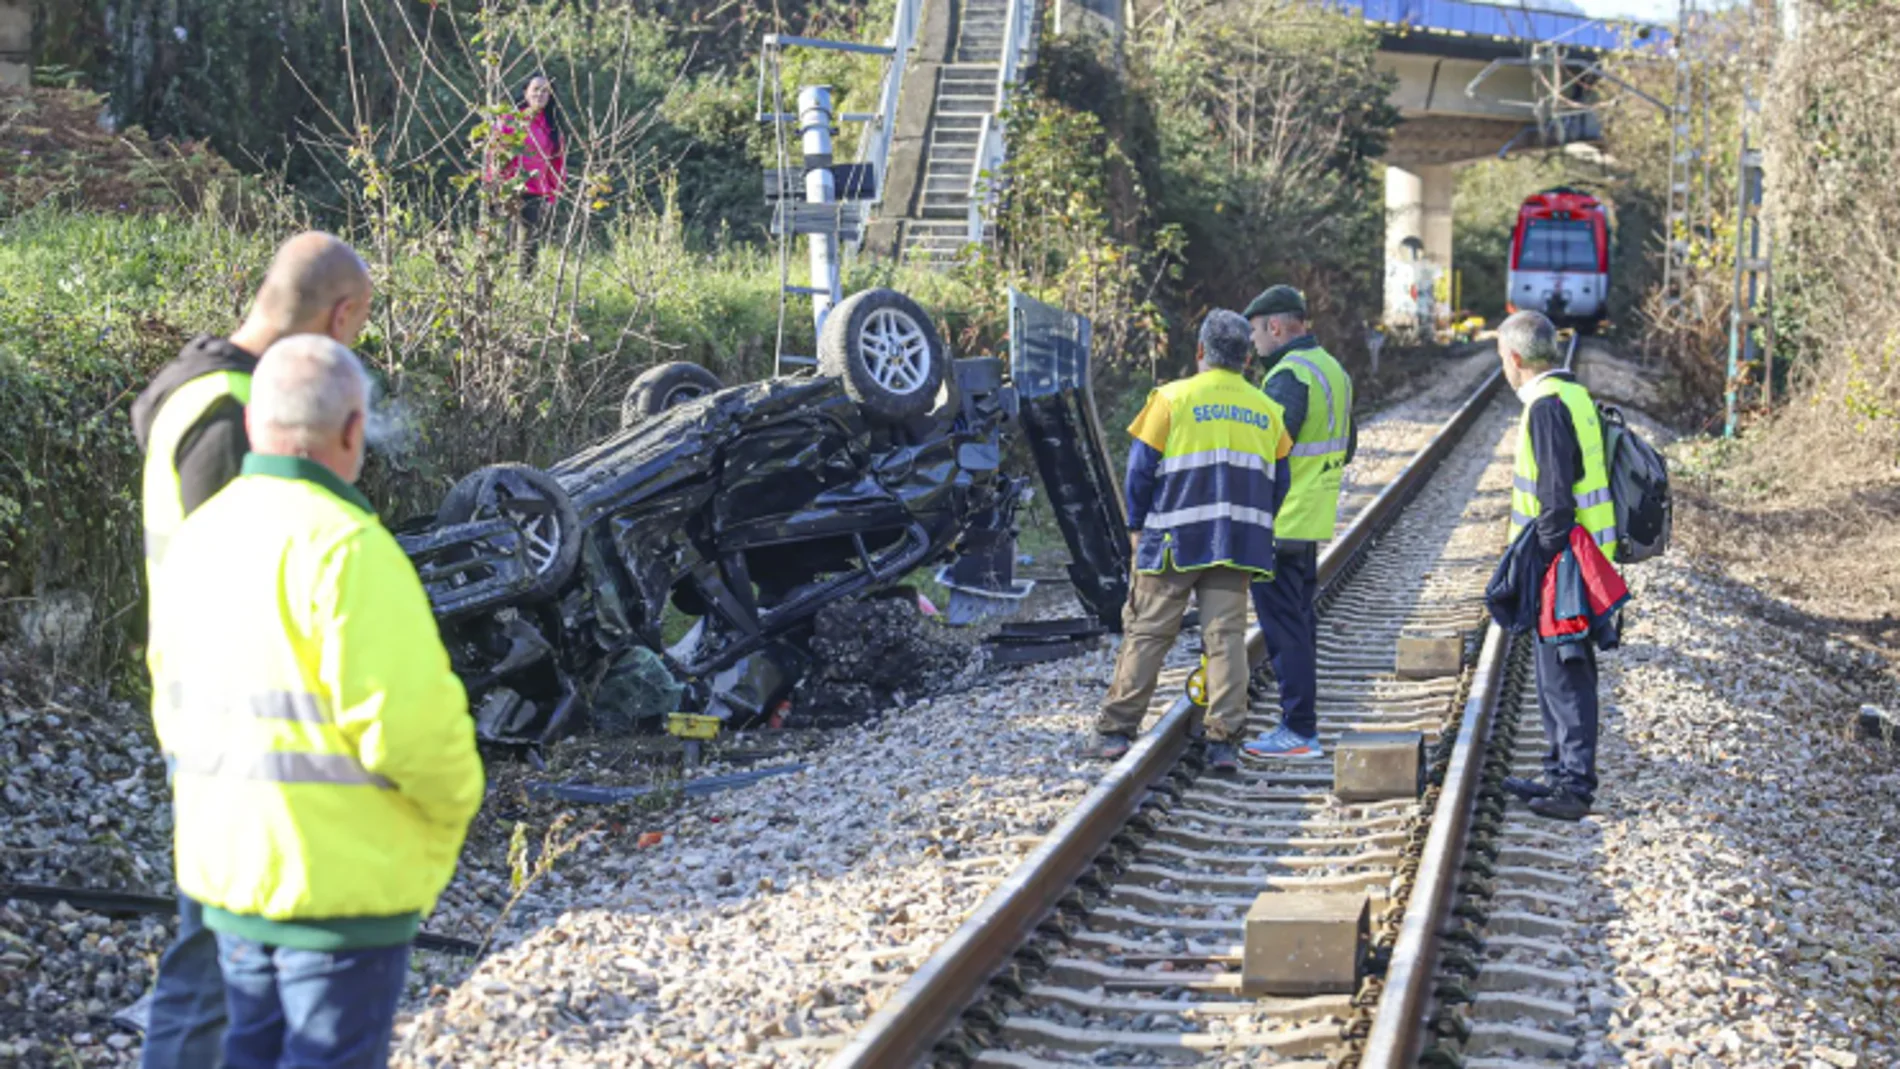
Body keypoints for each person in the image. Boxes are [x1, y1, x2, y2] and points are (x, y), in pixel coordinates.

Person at [146, 336, 484, 1069]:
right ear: (354, 428)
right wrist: (447, 824)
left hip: (231, 879)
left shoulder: (197, 536)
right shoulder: (348, 548)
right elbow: (412, 732)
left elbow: (170, 701)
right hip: (338, 893)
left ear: (255, 420)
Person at [128, 231, 373, 1069]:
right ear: (338, 316)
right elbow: (253, 579)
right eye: (357, 328)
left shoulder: (189, 388)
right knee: (212, 960)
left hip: (206, 706)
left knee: (236, 955)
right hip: (234, 723)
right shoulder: (233, 418)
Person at [1094, 310, 1294, 773]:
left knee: (1148, 631)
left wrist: (1136, 528)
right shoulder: (1268, 411)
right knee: (1226, 639)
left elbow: (1140, 472)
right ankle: (1223, 740)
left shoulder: (1169, 399)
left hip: (1173, 542)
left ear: (1201, 351)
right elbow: (1280, 480)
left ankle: (1116, 731)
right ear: (1247, 359)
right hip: (1237, 543)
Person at [1493, 310, 1615, 821]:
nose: (1504, 367)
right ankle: (1558, 770)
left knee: (1565, 674)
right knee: (1557, 672)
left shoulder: (1544, 407)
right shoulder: (1573, 395)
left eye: (1503, 359)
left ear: (1516, 359)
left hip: (1564, 563)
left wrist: (1536, 563)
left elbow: (1555, 501)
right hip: (1580, 556)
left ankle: (1573, 785)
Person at [1237, 285, 1356, 761]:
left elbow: (1268, 451)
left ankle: (1299, 729)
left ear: (1276, 327)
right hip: (1309, 518)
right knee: (1299, 621)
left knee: (1283, 626)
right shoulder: (1333, 370)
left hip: (1279, 521)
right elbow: (1345, 448)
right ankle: (1299, 723)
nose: (1253, 344)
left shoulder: (1288, 377)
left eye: (1255, 333)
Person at [500, 74, 566, 278]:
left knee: (530, 243)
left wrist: (553, 194)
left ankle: (525, 284)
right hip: (507, 187)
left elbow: (557, 162)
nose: (540, 94)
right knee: (502, 241)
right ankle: (491, 284)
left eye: (545, 91)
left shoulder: (552, 126)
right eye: (536, 89)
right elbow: (495, 153)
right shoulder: (511, 119)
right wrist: (493, 183)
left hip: (535, 190)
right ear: (525, 92)